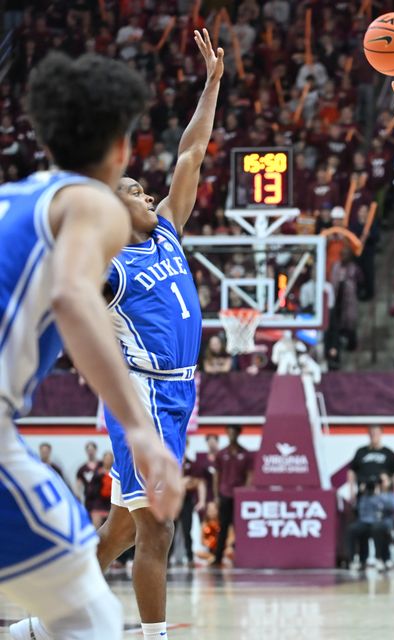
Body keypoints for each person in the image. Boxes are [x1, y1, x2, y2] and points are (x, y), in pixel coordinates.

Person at [4, 52, 181, 640]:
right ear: (121, 148)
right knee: (87, 613)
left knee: (76, 587)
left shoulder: (16, 198)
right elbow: (76, 300)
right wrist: (138, 430)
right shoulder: (89, 205)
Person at [91, 30, 223, 640]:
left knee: (122, 526)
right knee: (158, 528)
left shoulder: (166, 230)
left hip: (178, 394)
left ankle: (54, 616)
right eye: (134, 192)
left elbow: (191, 153)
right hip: (141, 398)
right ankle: (155, 637)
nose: (148, 194)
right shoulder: (107, 267)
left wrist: (212, 84)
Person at [211, 426, 253, 565]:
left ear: (238, 434)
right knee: (223, 527)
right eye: (229, 433)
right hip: (225, 494)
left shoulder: (245, 454)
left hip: (239, 496)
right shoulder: (221, 454)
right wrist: (216, 496)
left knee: (239, 527)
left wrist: (246, 493)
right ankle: (218, 557)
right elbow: (216, 476)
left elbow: (249, 475)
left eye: (234, 433)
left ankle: (241, 556)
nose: (231, 435)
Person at [347, 426, 394, 501]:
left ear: (381, 434)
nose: (374, 435)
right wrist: (351, 492)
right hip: (364, 494)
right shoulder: (361, 452)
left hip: (384, 494)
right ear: (369, 434)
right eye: (372, 433)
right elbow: (351, 472)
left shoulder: (388, 453)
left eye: (376, 433)